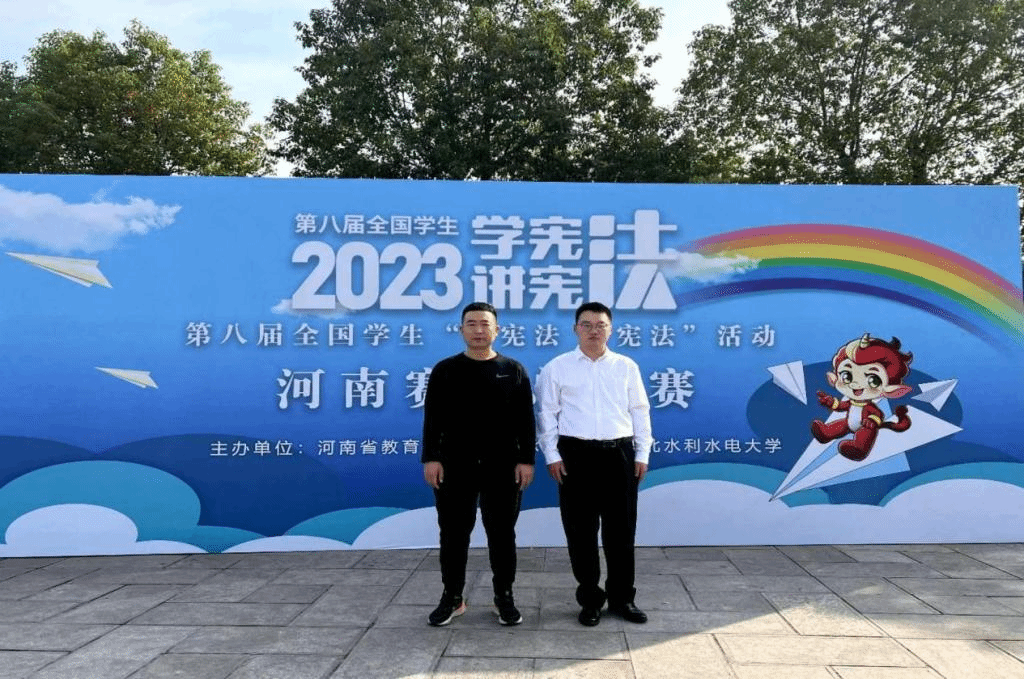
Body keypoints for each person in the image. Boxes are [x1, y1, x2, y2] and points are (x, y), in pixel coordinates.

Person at [536, 301, 652, 627]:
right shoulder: (557, 367)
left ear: (610, 330)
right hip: (576, 456)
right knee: (581, 532)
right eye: (586, 325)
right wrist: (552, 455)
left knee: (621, 531)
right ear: (575, 329)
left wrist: (642, 453)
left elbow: (639, 410)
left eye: (600, 325)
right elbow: (547, 415)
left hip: (619, 454)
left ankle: (622, 598)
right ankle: (590, 599)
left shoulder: (626, 366)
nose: (593, 331)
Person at [421, 301, 536, 627]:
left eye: (485, 324)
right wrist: (431, 457)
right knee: (453, 534)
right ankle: (452, 597)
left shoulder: (513, 370)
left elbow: (526, 421)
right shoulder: (445, 370)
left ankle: (504, 597)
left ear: (497, 330)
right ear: (461, 330)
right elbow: (433, 418)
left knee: (502, 535)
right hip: (454, 465)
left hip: (503, 466)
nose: (478, 330)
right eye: (471, 324)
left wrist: (526, 460)